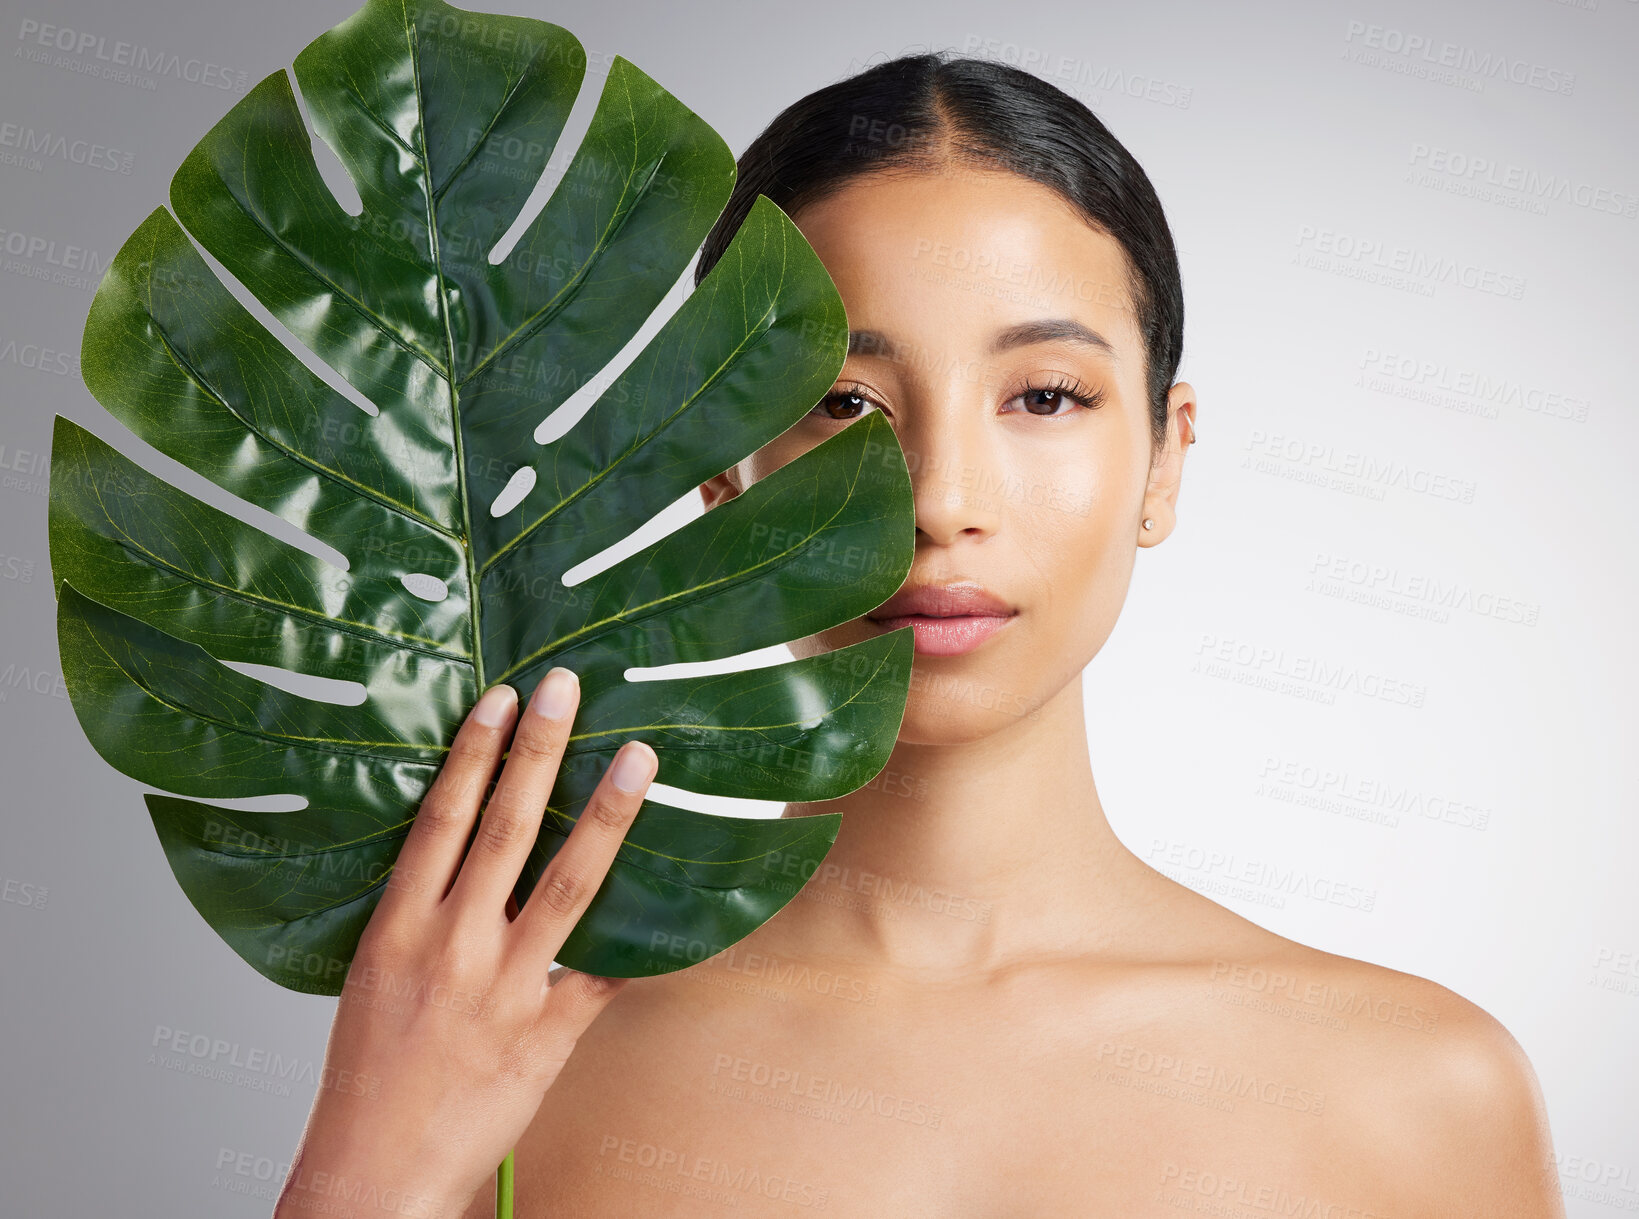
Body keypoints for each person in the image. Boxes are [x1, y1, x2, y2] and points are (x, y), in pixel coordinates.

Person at [275, 49, 1564, 1219]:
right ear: (725, 468)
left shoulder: (1420, 1095)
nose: (942, 497)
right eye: (843, 401)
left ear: (1165, 462)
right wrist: (370, 1169)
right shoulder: (506, 1042)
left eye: (1045, 396)